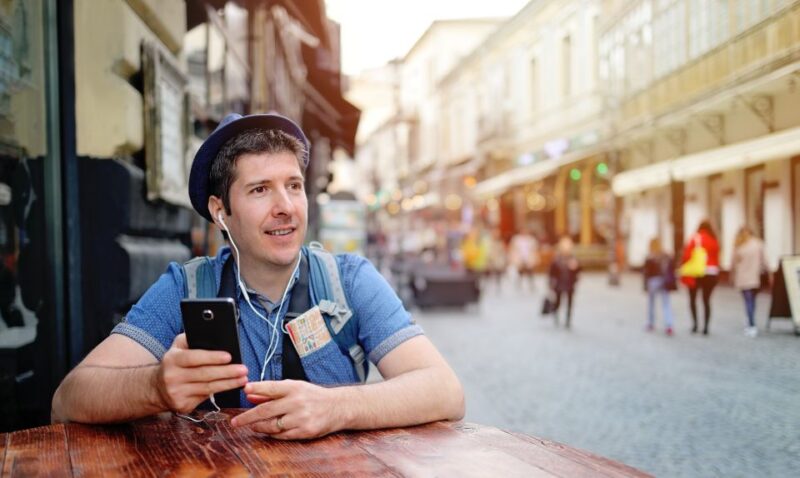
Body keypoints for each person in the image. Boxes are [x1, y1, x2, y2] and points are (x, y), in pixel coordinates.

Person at [51, 113, 464, 439]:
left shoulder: (349, 281)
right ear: (219, 211)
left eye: (294, 185)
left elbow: (444, 390)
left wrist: (336, 407)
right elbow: (68, 400)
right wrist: (156, 387)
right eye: (260, 189)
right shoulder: (186, 287)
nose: (286, 206)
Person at [679, 220, 720, 335]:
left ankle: (695, 325)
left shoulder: (695, 238)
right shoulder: (714, 239)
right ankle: (706, 327)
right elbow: (717, 256)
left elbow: (687, 255)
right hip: (711, 272)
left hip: (696, 272)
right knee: (706, 300)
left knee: (693, 299)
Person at [731, 226, 768, 338]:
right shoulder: (758, 244)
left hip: (744, 277)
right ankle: (750, 320)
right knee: (752, 301)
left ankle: (751, 324)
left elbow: (733, 263)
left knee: (748, 301)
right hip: (756, 277)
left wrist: (732, 275)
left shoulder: (739, 245)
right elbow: (765, 260)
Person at [642, 238, 675, 336]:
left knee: (651, 303)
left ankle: (650, 323)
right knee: (666, 303)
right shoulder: (665, 255)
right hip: (664, 281)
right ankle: (669, 325)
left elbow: (646, 272)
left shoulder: (650, 256)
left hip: (653, 281)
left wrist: (645, 285)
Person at [548, 236, 580, 328]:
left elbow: (579, 270)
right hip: (559, 284)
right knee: (558, 301)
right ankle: (556, 315)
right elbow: (551, 272)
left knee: (570, 302)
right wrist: (551, 282)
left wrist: (575, 268)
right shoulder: (557, 259)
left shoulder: (573, 258)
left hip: (570, 284)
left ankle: (568, 320)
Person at [509, 226, 539, 291]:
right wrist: (513, 258)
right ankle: (518, 285)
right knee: (520, 272)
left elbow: (534, 249)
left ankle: (531, 285)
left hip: (528, 258)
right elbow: (513, 249)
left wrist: (534, 257)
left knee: (530, 272)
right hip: (520, 258)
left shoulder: (531, 239)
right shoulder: (516, 239)